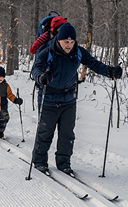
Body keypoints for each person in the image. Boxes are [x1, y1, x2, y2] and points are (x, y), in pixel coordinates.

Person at [31, 23, 122, 175]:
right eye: (66, 41)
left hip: (69, 98)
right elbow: (36, 69)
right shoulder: (47, 53)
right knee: (45, 132)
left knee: (67, 134)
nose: (69, 45)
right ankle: (40, 161)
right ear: (59, 40)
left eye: (72, 41)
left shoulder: (78, 52)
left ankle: (64, 164)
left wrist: (110, 71)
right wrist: (41, 77)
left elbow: (94, 64)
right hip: (48, 98)